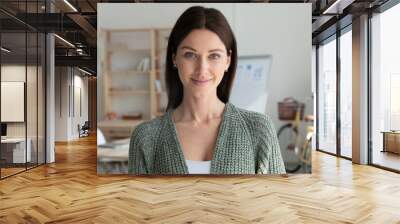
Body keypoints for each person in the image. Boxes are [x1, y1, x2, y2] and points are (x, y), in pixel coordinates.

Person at [128, 6, 286, 175]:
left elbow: (279, 199)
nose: (202, 69)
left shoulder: (259, 129)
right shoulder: (145, 137)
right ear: (174, 57)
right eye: (190, 55)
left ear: (228, 60)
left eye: (214, 56)